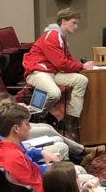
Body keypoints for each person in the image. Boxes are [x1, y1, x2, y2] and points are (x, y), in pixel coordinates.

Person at [0, 100, 101, 192]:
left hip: (41, 182)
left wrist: (43, 154)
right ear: (16, 128)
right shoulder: (14, 158)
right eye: (27, 124)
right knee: (90, 180)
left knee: (76, 170)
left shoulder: (2, 146)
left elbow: (32, 170)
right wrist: (69, 184)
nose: (30, 127)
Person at [22, 8, 94, 139]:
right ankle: (34, 116)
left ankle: (70, 120)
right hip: (37, 72)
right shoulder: (52, 36)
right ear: (64, 21)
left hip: (52, 72)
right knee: (54, 93)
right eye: (74, 23)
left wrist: (80, 66)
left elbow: (67, 59)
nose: (76, 27)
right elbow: (61, 63)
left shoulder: (62, 36)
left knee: (81, 80)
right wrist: (82, 65)